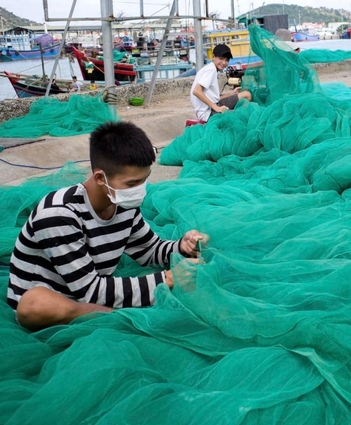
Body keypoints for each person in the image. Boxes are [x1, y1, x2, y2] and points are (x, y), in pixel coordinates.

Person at [6, 121, 205, 331]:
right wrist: (167, 279)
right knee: (35, 304)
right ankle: (110, 315)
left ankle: (108, 312)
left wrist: (182, 247)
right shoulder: (59, 214)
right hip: (59, 299)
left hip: (91, 290)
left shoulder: (122, 203)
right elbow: (89, 290)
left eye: (144, 180)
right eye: (131, 184)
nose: (140, 190)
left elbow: (148, 250)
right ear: (100, 177)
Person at [190, 43, 252, 122]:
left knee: (245, 95)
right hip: (209, 113)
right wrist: (216, 108)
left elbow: (214, 98)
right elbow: (196, 91)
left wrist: (231, 94)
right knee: (247, 95)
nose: (224, 62)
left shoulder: (210, 68)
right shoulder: (211, 70)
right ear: (213, 57)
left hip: (210, 108)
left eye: (226, 60)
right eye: (221, 58)